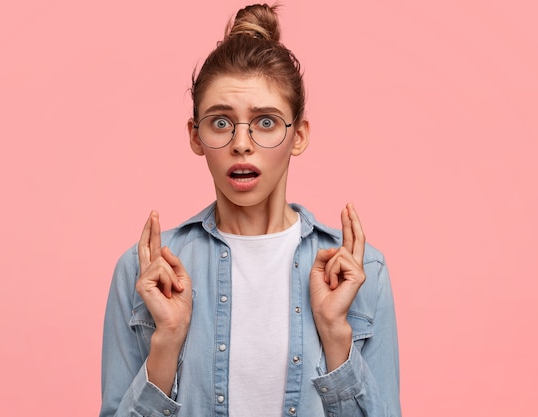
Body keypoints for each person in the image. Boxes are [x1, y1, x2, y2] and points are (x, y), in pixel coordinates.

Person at [99, 3, 400, 416]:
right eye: (221, 122)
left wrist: (335, 334)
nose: (242, 143)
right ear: (195, 136)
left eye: (265, 122)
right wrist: (166, 341)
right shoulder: (144, 272)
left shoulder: (360, 273)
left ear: (299, 135)